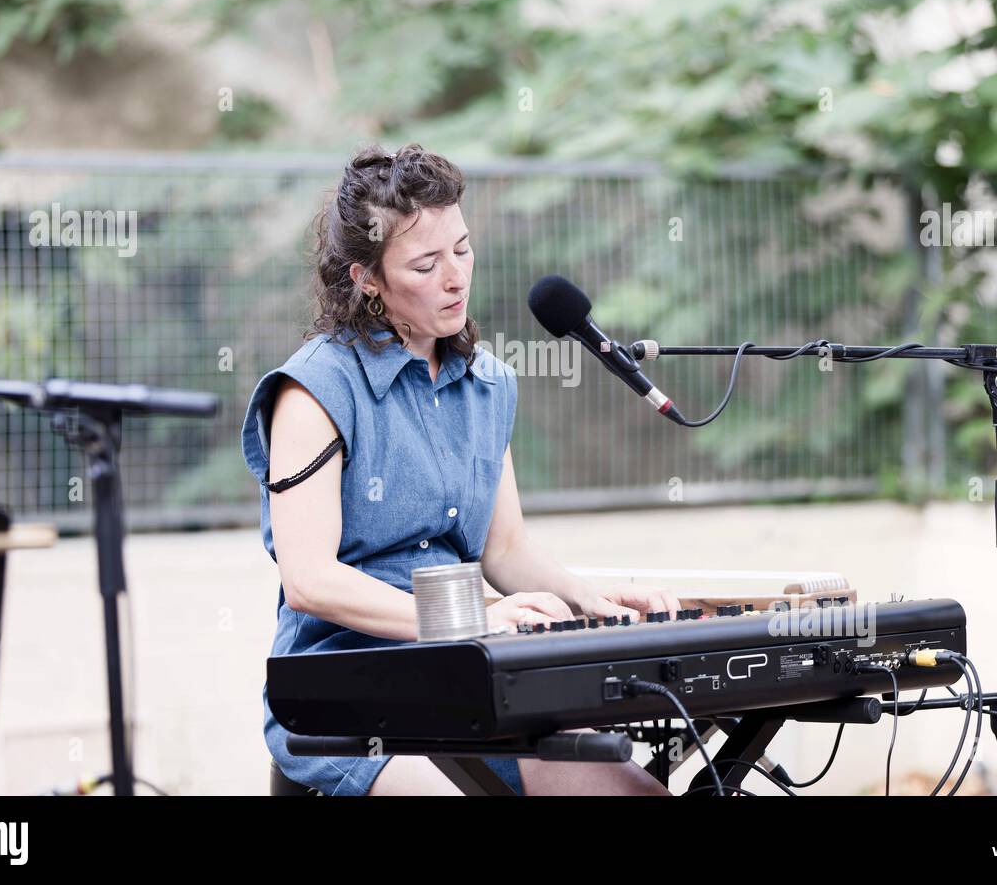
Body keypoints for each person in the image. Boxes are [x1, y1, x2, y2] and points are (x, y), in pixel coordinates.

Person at [242, 143, 678, 795]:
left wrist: (595, 601)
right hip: (345, 694)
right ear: (367, 280)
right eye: (425, 262)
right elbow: (309, 581)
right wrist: (469, 616)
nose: (455, 277)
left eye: (463, 249)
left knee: (633, 793)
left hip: (471, 674)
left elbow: (505, 548)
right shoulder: (314, 390)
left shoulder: (487, 384)